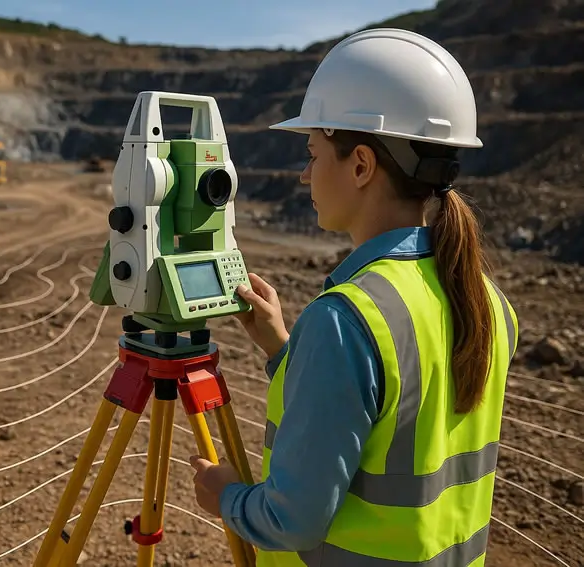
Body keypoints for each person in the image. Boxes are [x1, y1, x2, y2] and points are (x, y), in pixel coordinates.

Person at [189, 28, 519, 566]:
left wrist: (224, 493)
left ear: (361, 165)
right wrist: (284, 353)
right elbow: (393, 420)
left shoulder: (346, 320)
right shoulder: (486, 300)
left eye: (313, 152)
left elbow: (291, 520)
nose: (304, 173)